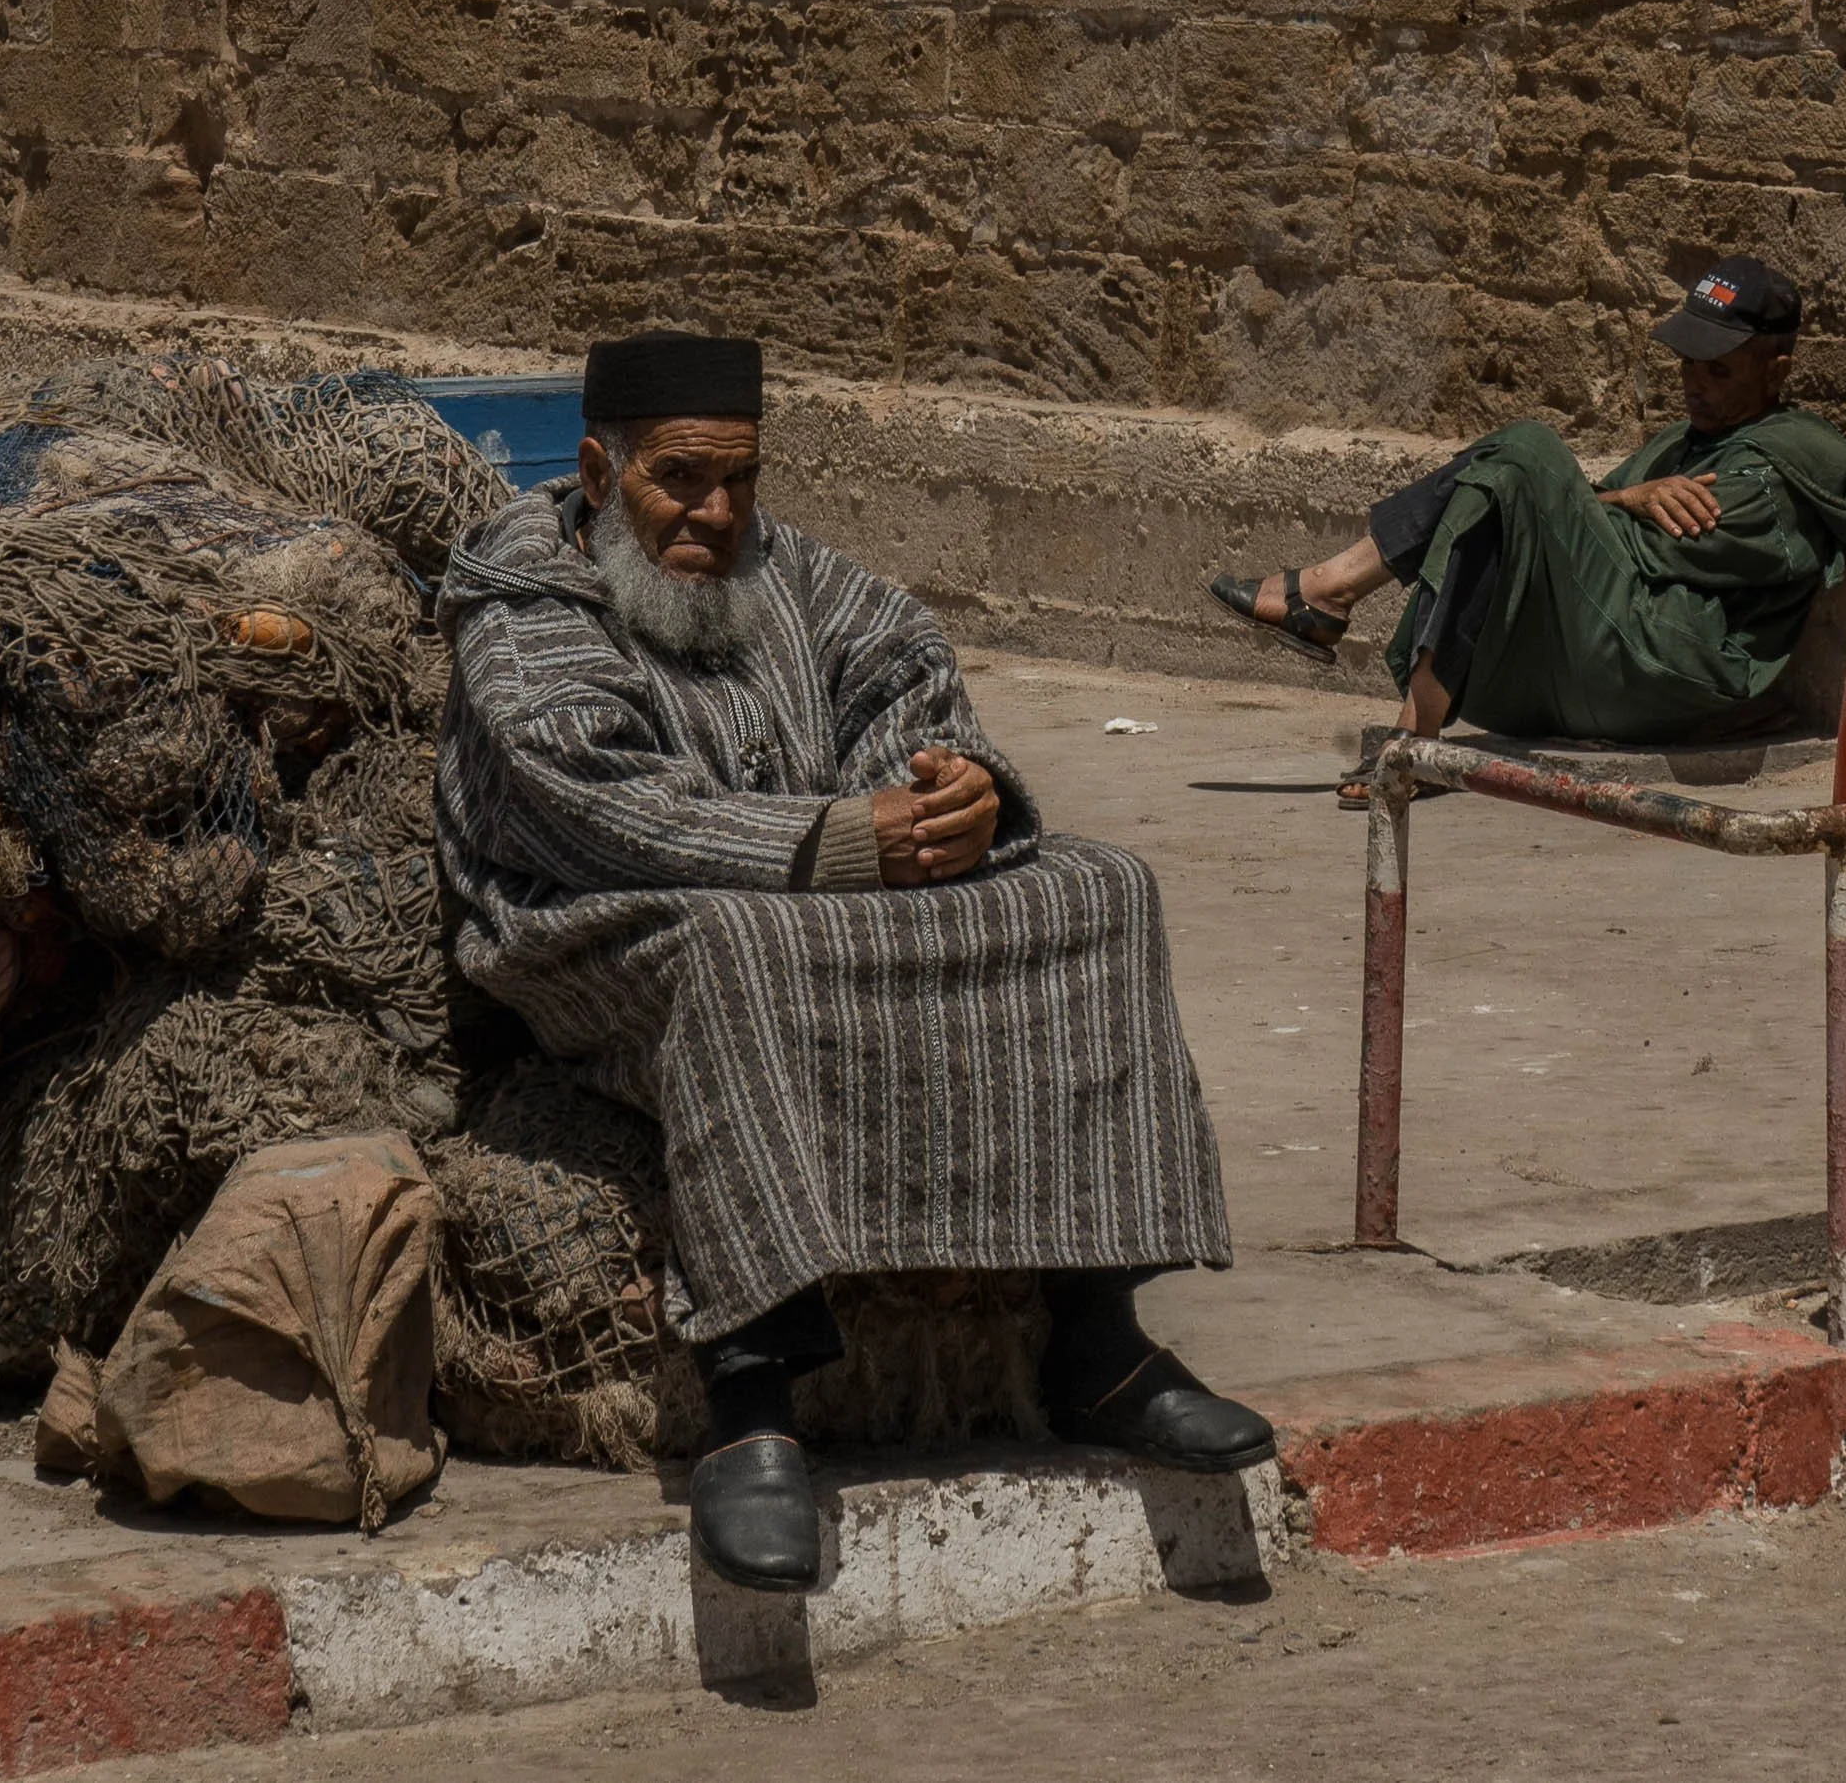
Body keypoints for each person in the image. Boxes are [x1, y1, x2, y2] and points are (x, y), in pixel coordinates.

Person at [435, 331, 1272, 1595]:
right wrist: (831, 841)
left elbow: (906, 679)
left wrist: (952, 793)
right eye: (679, 480)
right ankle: (751, 1396)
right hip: (596, 925)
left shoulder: (794, 574)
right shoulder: (522, 605)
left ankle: (1097, 1338)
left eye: (740, 480)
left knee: (1100, 890)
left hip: (811, 904)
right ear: (601, 474)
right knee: (737, 947)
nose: (717, 513)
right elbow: (595, 806)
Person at [1208, 257, 1846, 806]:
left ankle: (1331, 598)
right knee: (1504, 480)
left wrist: (1596, 505)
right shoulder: (1685, 442)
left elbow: (1631, 543)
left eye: (1718, 370)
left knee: (1527, 451)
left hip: (1671, 668)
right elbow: (1586, 516)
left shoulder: (1773, 473)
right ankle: (1411, 718)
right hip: (1610, 654)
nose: (1694, 384)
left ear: (1776, 370)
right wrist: (1627, 497)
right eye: (1687, 364)